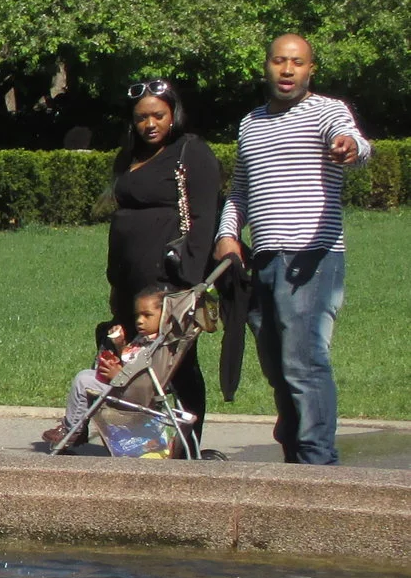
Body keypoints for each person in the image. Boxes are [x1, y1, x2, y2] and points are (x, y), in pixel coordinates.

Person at [210, 33, 370, 466]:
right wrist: (228, 234)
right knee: (278, 366)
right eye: (279, 61)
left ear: (310, 69)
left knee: (304, 362)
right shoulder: (251, 122)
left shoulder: (327, 112)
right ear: (266, 66)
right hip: (264, 260)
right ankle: (295, 454)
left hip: (313, 257)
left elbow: (354, 142)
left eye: (296, 63)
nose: (287, 70)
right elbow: (240, 191)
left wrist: (350, 148)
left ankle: (318, 463)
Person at [108, 78, 221, 439]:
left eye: (158, 115)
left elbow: (204, 219)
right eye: (142, 118)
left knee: (177, 363)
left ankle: (188, 444)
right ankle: (139, 440)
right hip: (130, 281)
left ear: (174, 115)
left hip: (172, 282)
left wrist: (190, 279)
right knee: (131, 358)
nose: (150, 124)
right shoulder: (128, 156)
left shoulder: (192, 152)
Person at [44, 287, 165, 449]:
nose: (140, 320)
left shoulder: (157, 346)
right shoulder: (146, 339)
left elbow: (144, 379)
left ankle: (72, 430)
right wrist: (120, 345)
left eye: (147, 315)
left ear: (164, 316)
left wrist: (120, 374)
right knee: (93, 373)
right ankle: (74, 428)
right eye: (137, 315)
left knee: (83, 380)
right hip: (125, 384)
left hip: (132, 393)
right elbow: (132, 361)